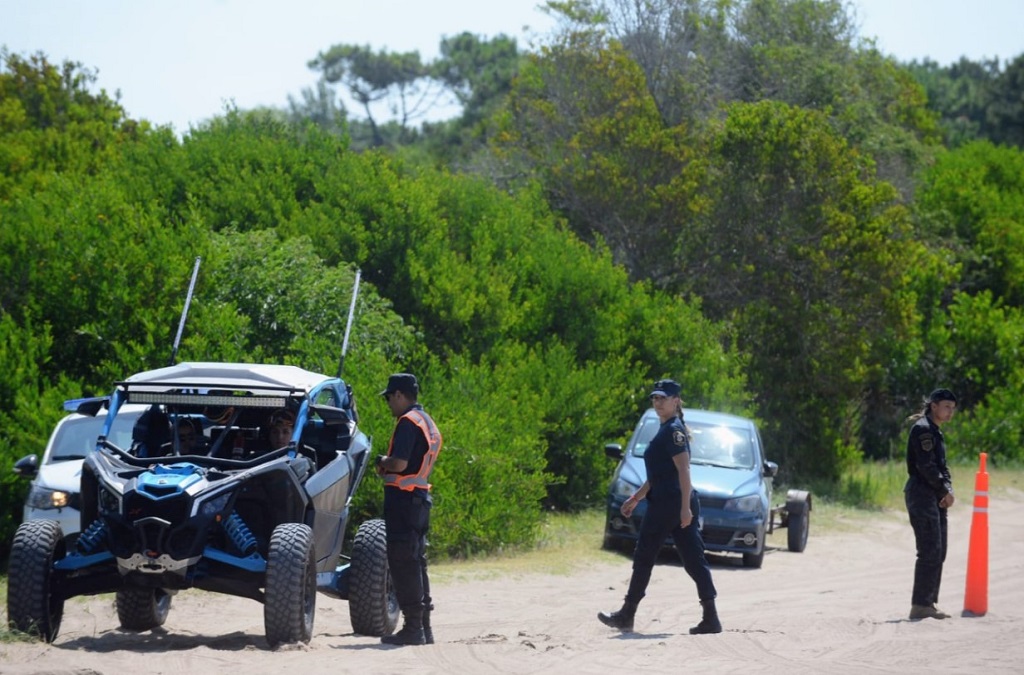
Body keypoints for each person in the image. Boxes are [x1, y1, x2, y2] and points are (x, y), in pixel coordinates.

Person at [598, 379, 721, 635]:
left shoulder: (673, 431)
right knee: (692, 561)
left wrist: (685, 508)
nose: (658, 403)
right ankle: (711, 618)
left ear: (676, 401)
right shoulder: (666, 429)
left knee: (646, 556)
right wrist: (637, 497)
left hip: (670, 505)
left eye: (663, 398)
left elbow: (683, 470)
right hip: (669, 502)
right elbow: (659, 475)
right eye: (655, 398)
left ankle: (627, 615)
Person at [376, 373, 443, 646]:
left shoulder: (407, 422)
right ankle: (424, 628)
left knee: (403, 562)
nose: (389, 403)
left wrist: (382, 461)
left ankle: (413, 628)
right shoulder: (427, 422)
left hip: (403, 501)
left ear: (401, 395)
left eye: (390, 397)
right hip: (419, 498)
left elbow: (401, 464)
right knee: (416, 561)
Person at [905, 388, 957, 620]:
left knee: (939, 550)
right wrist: (942, 489)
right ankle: (921, 605)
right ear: (934, 405)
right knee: (929, 550)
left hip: (934, 494)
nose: (949, 412)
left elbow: (942, 467)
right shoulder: (923, 430)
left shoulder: (935, 431)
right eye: (946, 407)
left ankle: (929, 603)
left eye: (952, 409)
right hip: (922, 494)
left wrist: (948, 490)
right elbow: (926, 467)